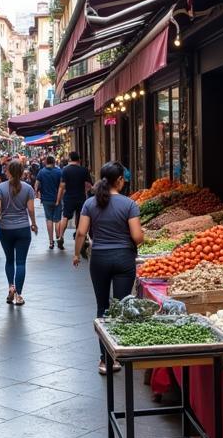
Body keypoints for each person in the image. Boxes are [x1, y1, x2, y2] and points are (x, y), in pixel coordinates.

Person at [73, 162, 144, 374]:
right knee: (122, 308)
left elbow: (80, 232)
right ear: (120, 180)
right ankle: (119, 355)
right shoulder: (129, 204)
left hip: (100, 259)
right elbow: (137, 237)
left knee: (102, 307)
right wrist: (143, 236)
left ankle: (104, 360)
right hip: (124, 259)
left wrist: (76, 254)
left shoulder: (90, 203)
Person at [0, 159, 38, 305]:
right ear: (22, 172)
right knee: (21, 262)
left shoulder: (0, 188)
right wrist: (33, 224)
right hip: (23, 229)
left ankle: (11, 286)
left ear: (8, 171)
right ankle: (19, 295)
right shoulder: (28, 188)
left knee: (9, 260)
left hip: (6, 229)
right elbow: (30, 209)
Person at [56, 151, 92, 252]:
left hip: (68, 197)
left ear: (70, 159)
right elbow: (89, 185)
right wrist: (86, 191)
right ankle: (79, 237)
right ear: (79, 159)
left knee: (65, 216)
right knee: (80, 217)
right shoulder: (84, 170)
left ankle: (61, 236)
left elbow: (62, 186)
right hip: (81, 197)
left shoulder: (65, 170)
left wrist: (58, 200)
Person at [35, 155, 63, 250]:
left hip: (46, 199)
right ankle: (59, 238)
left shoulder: (41, 172)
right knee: (58, 220)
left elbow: (36, 184)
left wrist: (36, 194)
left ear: (46, 162)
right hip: (57, 199)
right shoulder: (59, 171)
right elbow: (62, 186)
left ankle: (51, 242)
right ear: (54, 162)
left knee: (49, 219)